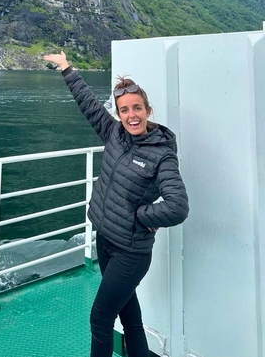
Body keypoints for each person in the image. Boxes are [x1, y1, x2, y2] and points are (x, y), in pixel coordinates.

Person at [43, 51, 189, 357]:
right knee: (129, 317)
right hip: (106, 240)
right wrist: (67, 69)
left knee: (100, 318)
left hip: (131, 253)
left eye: (137, 108)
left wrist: (142, 215)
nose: (131, 115)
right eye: (124, 110)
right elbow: (89, 105)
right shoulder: (114, 134)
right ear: (119, 114)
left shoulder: (161, 153)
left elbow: (178, 206)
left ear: (148, 110)